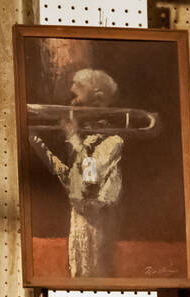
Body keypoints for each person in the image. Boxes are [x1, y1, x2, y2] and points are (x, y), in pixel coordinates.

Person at [28, 68, 125, 278]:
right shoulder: (82, 142)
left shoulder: (112, 142)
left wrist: (72, 137)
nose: (70, 105)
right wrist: (34, 142)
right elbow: (67, 177)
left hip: (96, 223)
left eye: (76, 98)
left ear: (98, 100)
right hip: (79, 218)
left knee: (95, 274)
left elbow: (89, 178)